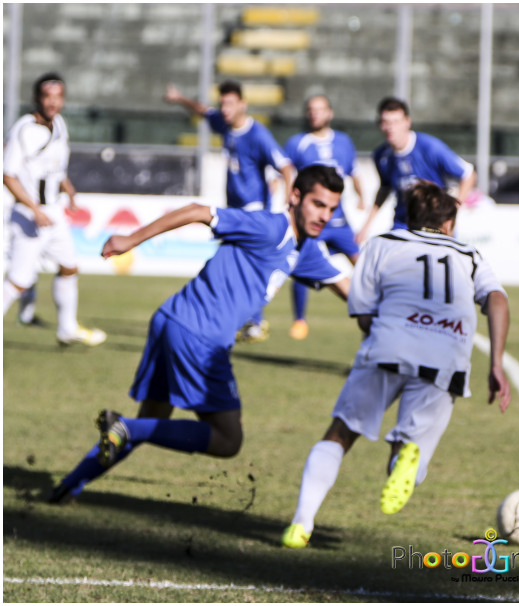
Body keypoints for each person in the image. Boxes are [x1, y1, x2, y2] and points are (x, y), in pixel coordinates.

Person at [48, 164, 350, 504]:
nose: (324, 215)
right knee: (227, 439)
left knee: (153, 421)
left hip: (171, 321)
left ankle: (70, 485)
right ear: (295, 196)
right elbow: (197, 212)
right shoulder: (270, 227)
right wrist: (130, 239)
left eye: (331, 208)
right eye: (318, 204)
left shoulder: (305, 248)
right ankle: (126, 427)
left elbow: (349, 291)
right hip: (200, 338)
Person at [282, 180, 511, 549]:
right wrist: (496, 363)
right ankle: (406, 456)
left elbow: (362, 315)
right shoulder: (469, 256)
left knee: (340, 434)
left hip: (388, 346)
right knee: (407, 455)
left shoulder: (382, 245)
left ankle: (300, 525)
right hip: (445, 358)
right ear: (449, 224)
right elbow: (497, 299)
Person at [164, 80, 295, 342]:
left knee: (237, 264)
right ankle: (250, 320)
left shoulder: (257, 134)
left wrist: (290, 202)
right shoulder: (224, 124)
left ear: (243, 105)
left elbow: (287, 167)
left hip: (253, 212)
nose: (224, 108)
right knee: (235, 266)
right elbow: (203, 111)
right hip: (235, 210)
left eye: (230, 103)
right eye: (222, 103)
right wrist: (180, 99)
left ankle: (252, 321)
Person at [3, 72, 106, 346]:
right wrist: (33, 208)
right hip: (29, 216)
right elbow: (8, 175)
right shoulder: (24, 129)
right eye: (47, 97)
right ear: (37, 99)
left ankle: (67, 329)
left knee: (70, 267)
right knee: (19, 281)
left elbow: (56, 169)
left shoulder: (60, 124)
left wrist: (69, 190)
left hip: (55, 213)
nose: (53, 103)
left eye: (58, 97)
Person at [284, 94, 365, 340]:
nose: (314, 114)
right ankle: (299, 320)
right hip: (310, 221)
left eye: (319, 109)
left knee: (362, 267)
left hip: (339, 222)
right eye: (310, 109)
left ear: (329, 113)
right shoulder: (297, 143)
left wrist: (362, 197)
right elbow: (287, 174)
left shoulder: (344, 141)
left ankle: (373, 312)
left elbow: (354, 172)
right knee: (300, 264)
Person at [356, 97, 476, 244]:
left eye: (396, 121)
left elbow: (468, 174)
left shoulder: (430, 147)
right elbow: (385, 188)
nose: (390, 127)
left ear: (407, 122)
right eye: (386, 122)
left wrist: (453, 210)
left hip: (433, 224)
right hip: (403, 223)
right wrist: (366, 226)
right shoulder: (381, 155)